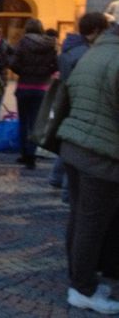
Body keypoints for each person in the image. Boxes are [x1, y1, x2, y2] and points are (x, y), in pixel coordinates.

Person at [57, 24, 119, 314]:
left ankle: (81, 279)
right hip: (100, 153)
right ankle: (82, 289)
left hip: (77, 146)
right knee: (91, 224)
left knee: (82, 219)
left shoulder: (95, 52)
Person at [49, 12, 109, 194]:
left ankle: (58, 178)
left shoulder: (69, 49)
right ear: (97, 30)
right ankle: (67, 188)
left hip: (68, 103)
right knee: (78, 150)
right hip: (81, 105)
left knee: (71, 146)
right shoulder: (87, 54)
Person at [9, 18, 58, 169]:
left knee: (24, 122)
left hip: (24, 86)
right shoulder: (50, 45)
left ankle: (25, 154)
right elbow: (55, 66)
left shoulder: (23, 43)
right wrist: (44, 74)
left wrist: (24, 72)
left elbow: (14, 64)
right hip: (41, 87)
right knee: (36, 122)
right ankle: (33, 153)